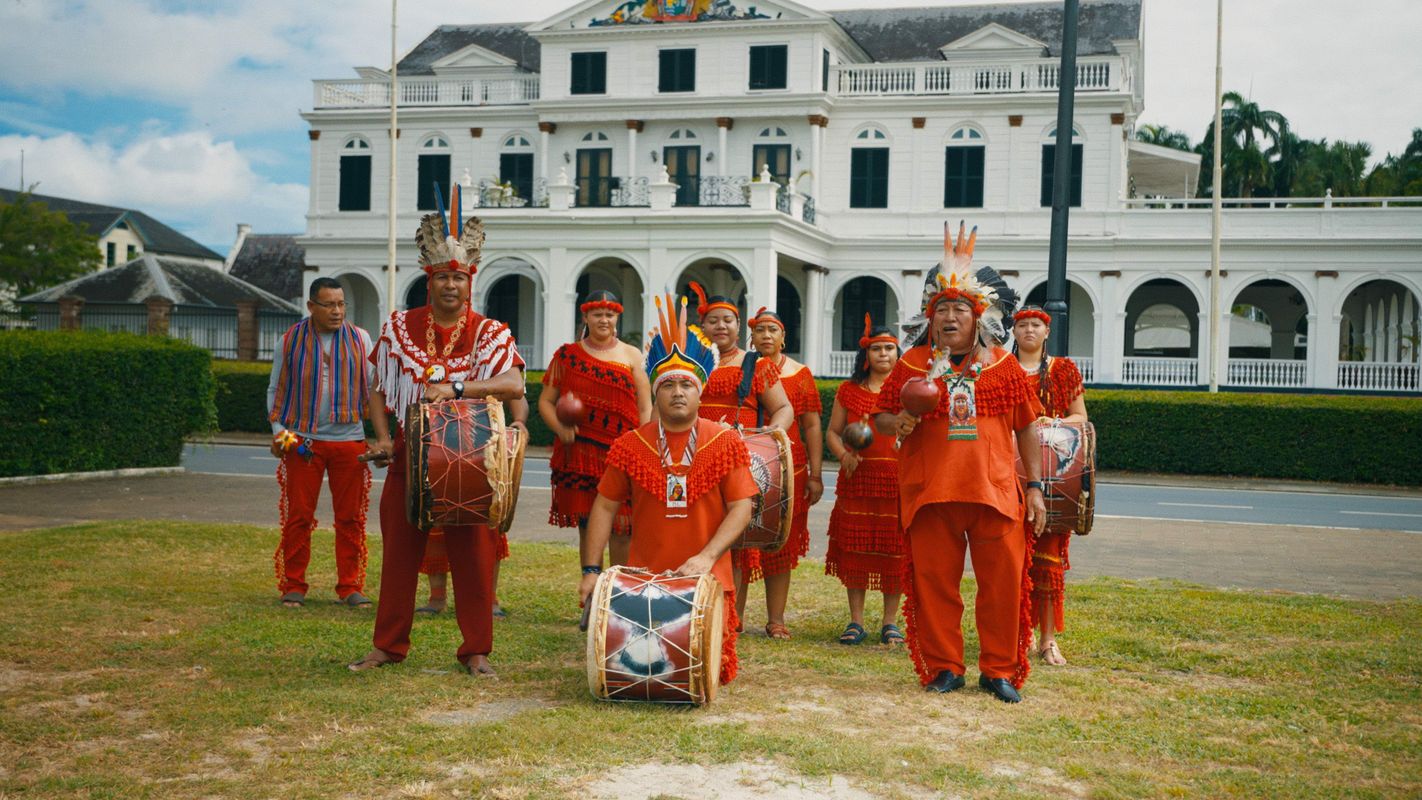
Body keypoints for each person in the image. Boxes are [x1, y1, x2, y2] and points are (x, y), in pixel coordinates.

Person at [349, 194, 525, 675]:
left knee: (474, 556)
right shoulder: (399, 328)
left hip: (471, 459)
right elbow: (376, 387)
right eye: (443, 277)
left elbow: (513, 383)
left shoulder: (491, 332)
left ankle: (477, 652)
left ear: (471, 283)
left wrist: (456, 386)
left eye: (459, 278)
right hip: (410, 454)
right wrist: (382, 438)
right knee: (400, 555)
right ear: (430, 281)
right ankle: (387, 645)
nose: (451, 284)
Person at [874, 222, 1047, 703]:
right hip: (930, 492)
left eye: (960, 310)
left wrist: (1035, 486)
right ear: (930, 318)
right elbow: (881, 419)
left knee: (1003, 587)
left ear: (979, 317)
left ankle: (998, 670)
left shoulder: (1002, 365)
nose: (950, 317)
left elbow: (1027, 426)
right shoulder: (910, 365)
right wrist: (899, 422)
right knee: (934, 587)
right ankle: (945, 666)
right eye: (941, 309)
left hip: (994, 491)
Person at [580, 293, 756, 685]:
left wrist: (707, 557)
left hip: (709, 581)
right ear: (656, 391)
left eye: (686, 384)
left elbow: (742, 507)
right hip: (644, 586)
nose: (678, 391)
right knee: (644, 677)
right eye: (669, 384)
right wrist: (592, 571)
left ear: (700, 391)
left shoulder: (725, 442)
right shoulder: (630, 444)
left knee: (710, 676)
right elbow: (604, 508)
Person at [686, 282, 794, 637]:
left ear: (737, 326)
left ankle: (732, 617)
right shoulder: (687, 360)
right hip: (694, 458)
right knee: (698, 534)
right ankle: (697, 607)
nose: (721, 327)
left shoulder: (755, 364)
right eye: (714, 320)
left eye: (728, 321)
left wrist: (769, 438)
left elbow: (783, 409)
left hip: (738, 459)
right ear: (702, 326)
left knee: (736, 540)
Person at [266, 277, 375, 609]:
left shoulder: (361, 339)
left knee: (351, 518)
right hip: (304, 442)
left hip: (350, 441)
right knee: (299, 516)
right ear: (311, 306)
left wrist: (379, 438)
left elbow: (373, 390)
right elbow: (275, 393)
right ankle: (294, 585)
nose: (337, 311)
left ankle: (350, 586)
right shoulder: (289, 341)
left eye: (341, 304)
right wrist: (280, 435)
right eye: (329, 305)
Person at [538, 289, 652, 569]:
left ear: (617, 318)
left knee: (623, 526)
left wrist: (642, 446)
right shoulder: (567, 356)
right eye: (597, 314)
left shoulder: (631, 355)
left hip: (623, 453)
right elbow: (545, 401)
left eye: (610, 314)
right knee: (589, 523)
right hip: (581, 453)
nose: (604, 320)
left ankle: (617, 593)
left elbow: (645, 407)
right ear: (586, 316)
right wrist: (560, 429)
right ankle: (592, 593)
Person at [1011, 306, 1088, 667]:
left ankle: (1047, 639)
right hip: (1008, 480)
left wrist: (1049, 422)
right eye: (1022, 324)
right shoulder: (1001, 368)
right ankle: (1017, 635)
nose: (1029, 330)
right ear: (1014, 332)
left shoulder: (1063, 370)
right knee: (1011, 563)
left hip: (1053, 480)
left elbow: (1079, 417)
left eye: (1036, 325)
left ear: (1046, 332)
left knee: (1047, 561)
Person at [824, 314, 905, 646]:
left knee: (894, 549)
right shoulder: (849, 390)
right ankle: (856, 620)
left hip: (896, 480)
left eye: (889, 348)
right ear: (866, 354)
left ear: (898, 353)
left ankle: (890, 621)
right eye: (877, 349)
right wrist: (844, 456)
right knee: (856, 547)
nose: (883, 354)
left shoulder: (906, 392)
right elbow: (832, 432)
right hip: (857, 478)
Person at [745, 306, 823, 640]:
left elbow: (811, 425)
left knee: (781, 545)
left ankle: (776, 619)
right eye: (760, 330)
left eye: (772, 330)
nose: (765, 336)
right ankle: (733, 615)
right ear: (752, 336)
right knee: (742, 543)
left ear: (783, 336)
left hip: (791, 468)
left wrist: (817, 474)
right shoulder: (742, 369)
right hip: (748, 466)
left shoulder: (799, 373)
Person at [417, 396, 530, 618]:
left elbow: (516, 391)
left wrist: (519, 421)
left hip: (482, 440)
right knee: (436, 520)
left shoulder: (493, 361)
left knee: (487, 526)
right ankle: (437, 597)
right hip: (439, 438)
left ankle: (489, 599)